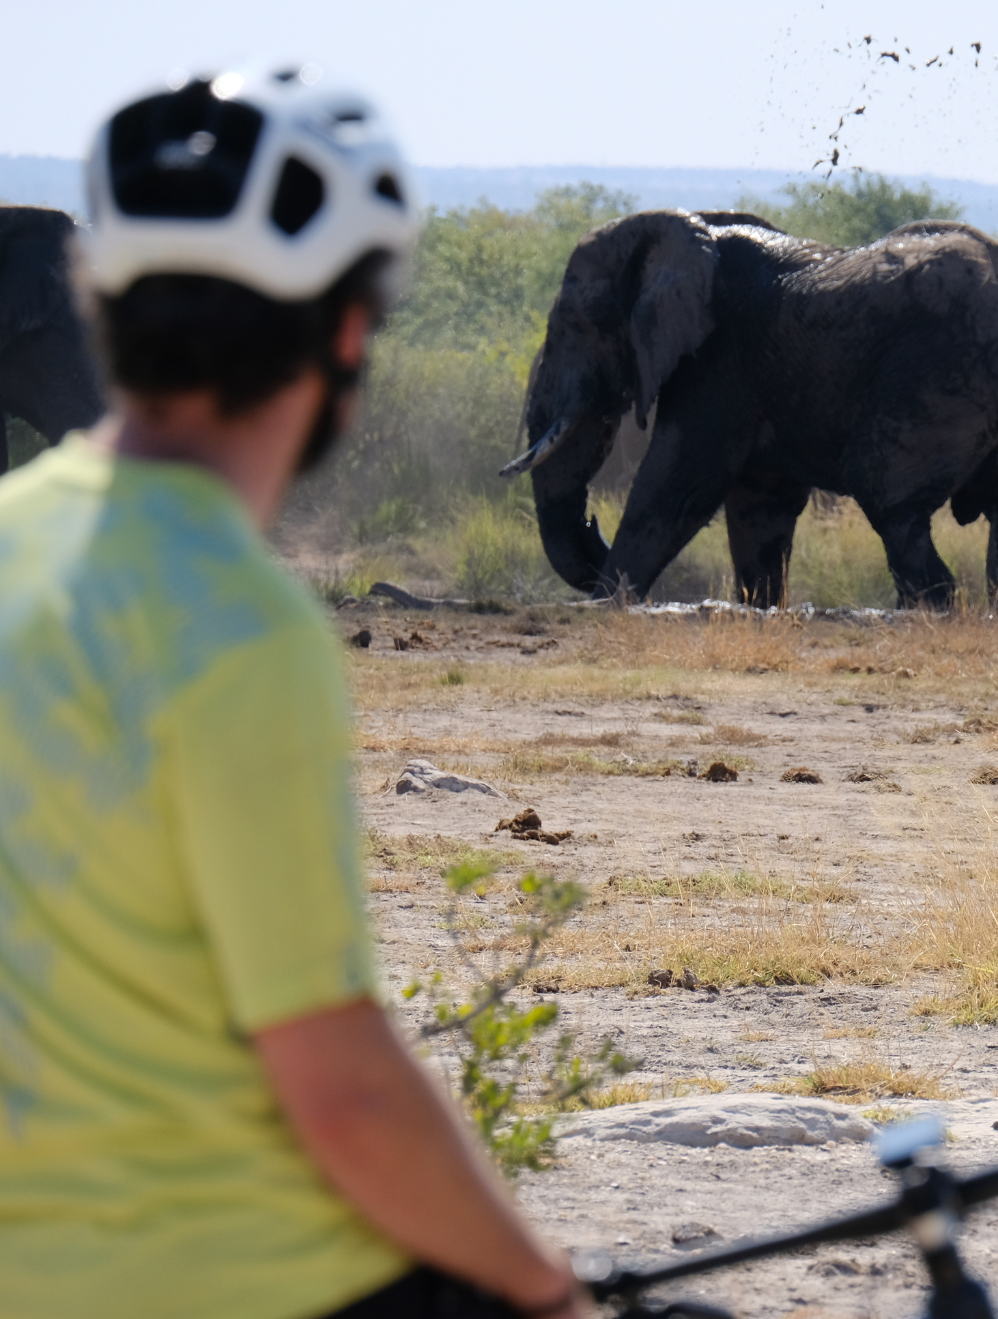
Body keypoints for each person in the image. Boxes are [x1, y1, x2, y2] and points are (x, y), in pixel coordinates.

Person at [0, 65, 591, 1319]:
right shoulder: (233, 616)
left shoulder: (14, 542)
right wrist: (546, 1289)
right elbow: (342, 1088)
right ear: (343, 332)